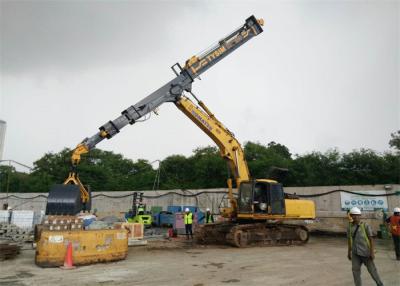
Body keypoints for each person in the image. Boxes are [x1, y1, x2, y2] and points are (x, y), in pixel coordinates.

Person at [347, 207, 384, 286]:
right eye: (353, 215)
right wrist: (349, 252)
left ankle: (380, 284)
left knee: (372, 270)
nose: (355, 217)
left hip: (366, 253)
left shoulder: (365, 225)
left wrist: (372, 252)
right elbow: (349, 240)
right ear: (351, 216)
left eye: (357, 215)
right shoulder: (349, 227)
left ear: (360, 215)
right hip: (355, 253)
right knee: (355, 271)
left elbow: (371, 239)